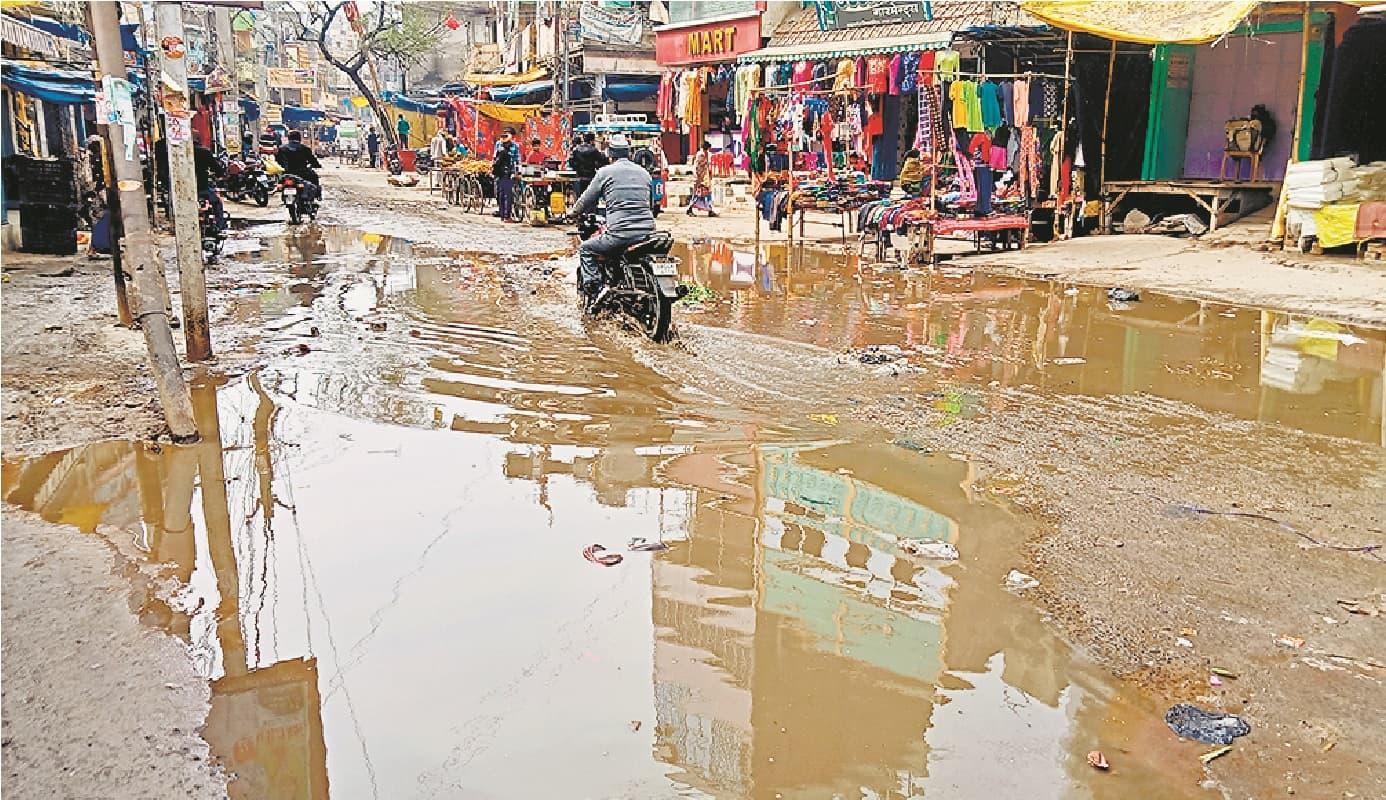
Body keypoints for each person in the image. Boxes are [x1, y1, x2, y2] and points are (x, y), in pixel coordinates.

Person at [572, 133, 656, 306]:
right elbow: (651, 205)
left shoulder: (605, 172)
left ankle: (595, 290)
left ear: (610, 155)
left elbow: (586, 199)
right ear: (629, 154)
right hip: (648, 233)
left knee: (586, 249)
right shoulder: (644, 173)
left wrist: (573, 213)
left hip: (620, 234)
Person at [275, 129, 323, 202]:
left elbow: (278, 160)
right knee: (315, 177)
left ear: (289, 138)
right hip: (303, 173)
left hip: (287, 173)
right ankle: (317, 195)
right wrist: (317, 165)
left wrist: (284, 166)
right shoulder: (305, 148)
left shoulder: (282, 149)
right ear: (299, 138)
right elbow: (312, 160)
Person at [192, 133, 227, 230]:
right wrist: (220, 175)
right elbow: (216, 168)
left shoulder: (181, 152)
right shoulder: (205, 152)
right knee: (217, 203)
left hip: (185, 191)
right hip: (202, 188)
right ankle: (220, 227)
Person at [492, 127, 520, 221]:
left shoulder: (511, 147)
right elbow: (496, 160)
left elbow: (517, 159)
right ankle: (506, 216)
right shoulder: (502, 149)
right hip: (504, 173)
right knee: (506, 195)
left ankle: (503, 215)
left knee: (503, 194)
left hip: (502, 173)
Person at [568, 132, 607, 197]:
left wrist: (577, 167)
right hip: (591, 177)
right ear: (592, 140)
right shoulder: (594, 150)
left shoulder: (576, 150)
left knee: (580, 198)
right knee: (591, 198)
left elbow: (571, 162)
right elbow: (603, 162)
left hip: (579, 177)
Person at [687, 141, 716, 217]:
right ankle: (690, 209)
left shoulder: (704, 154)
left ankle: (710, 210)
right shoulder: (701, 155)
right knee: (697, 195)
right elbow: (699, 167)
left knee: (706, 195)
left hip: (704, 178)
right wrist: (700, 178)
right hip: (701, 178)